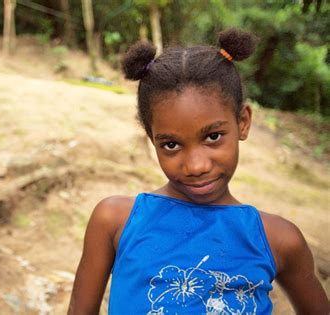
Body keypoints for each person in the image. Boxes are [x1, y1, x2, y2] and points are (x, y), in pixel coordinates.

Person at [68, 29, 329, 314]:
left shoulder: (278, 239)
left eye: (213, 137)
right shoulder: (115, 221)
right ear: (150, 136)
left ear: (243, 122)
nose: (196, 166)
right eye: (170, 144)